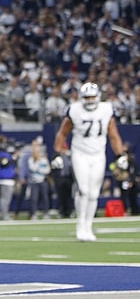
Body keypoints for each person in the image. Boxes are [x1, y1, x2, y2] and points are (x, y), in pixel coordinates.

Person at [54, 82, 125, 241]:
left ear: (98, 97)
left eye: (93, 97)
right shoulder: (75, 110)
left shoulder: (106, 109)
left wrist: (120, 154)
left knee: (93, 193)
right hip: (80, 153)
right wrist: (57, 152)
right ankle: (80, 224)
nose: (90, 100)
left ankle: (88, 225)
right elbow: (62, 133)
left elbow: (113, 134)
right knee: (83, 190)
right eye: (87, 97)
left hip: (98, 154)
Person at [109, 142, 138, 216]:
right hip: (122, 179)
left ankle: (134, 210)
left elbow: (133, 170)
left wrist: (131, 180)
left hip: (128, 179)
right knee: (124, 196)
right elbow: (113, 168)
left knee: (132, 195)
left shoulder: (131, 158)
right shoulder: (118, 158)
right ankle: (124, 210)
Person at [0, 135, 19, 221]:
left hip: (9, 179)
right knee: (5, 199)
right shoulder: (1, 154)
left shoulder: (6, 154)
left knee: (7, 199)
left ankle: (5, 214)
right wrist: (14, 157)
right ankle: (4, 215)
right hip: (4, 179)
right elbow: (4, 163)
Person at [26, 139, 51, 220]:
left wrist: (40, 168)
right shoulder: (31, 159)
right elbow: (33, 168)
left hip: (43, 180)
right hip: (34, 181)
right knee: (34, 198)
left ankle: (46, 213)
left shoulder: (44, 159)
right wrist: (37, 162)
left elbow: (47, 170)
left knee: (45, 198)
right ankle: (34, 214)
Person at [50, 146, 75, 218]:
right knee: (61, 196)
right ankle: (61, 211)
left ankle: (69, 211)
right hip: (60, 179)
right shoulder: (56, 157)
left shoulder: (70, 156)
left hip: (68, 178)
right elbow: (53, 168)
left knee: (69, 196)